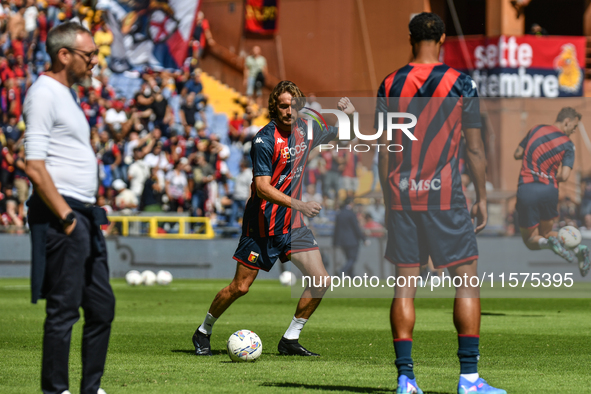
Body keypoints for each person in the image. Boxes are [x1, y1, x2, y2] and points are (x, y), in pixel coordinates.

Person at [376, 13, 505, 394]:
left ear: (410, 37)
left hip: (402, 195)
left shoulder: (389, 83)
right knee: (466, 282)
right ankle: (468, 379)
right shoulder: (461, 83)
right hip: (446, 196)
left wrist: (388, 200)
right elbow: (475, 147)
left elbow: (385, 150)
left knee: (404, 288)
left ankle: (406, 380)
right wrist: (482, 197)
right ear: (444, 39)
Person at [192, 81, 354, 357]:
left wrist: (349, 115)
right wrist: (300, 203)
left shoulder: (307, 130)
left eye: (293, 105)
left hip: (293, 225)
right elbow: (264, 188)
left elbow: (344, 139)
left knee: (321, 280)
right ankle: (203, 331)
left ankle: (290, 339)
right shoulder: (264, 139)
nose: (289, 110)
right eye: (282, 105)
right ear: (274, 107)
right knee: (240, 287)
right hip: (262, 225)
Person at [23, 22, 114, 394]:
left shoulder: (67, 94)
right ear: (64, 55)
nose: (95, 61)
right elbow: (34, 164)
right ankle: (55, 390)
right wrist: (65, 217)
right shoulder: (43, 93)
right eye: (88, 54)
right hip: (64, 215)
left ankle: (90, 389)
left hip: (84, 215)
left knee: (101, 307)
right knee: (63, 309)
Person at [514, 107, 590, 277]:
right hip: (549, 189)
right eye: (575, 126)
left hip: (527, 187)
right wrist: (548, 175)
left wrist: (530, 157)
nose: (573, 130)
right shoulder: (568, 144)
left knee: (530, 240)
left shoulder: (536, 129)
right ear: (567, 121)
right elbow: (564, 175)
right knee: (547, 232)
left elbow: (517, 153)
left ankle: (549, 245)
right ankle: (579, 249)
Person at [333, 197, 367, 276]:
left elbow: (336, 228)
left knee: (349, 259)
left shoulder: (339, 213)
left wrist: (335, 241)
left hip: (342, 241)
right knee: (352, 259)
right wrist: (363, 239)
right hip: (352, 241)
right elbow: (356, 228)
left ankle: (352, 276)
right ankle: (342, 271)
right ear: (351, 203)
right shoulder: (351, 214)